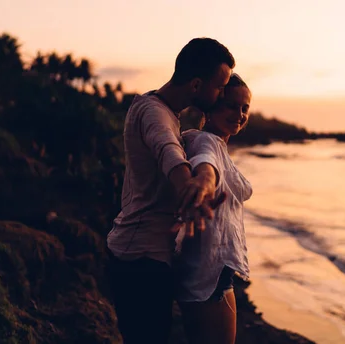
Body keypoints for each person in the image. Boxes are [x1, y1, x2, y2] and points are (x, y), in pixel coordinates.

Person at [106, 38, 235, 344]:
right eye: (220, 87)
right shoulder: (153, 113)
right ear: (195, 85)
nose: (221, 95)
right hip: (140, 259)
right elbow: (169, 153)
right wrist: (188, 185)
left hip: (145, 255)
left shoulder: (163, 112)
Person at [175, 73, 253, 344]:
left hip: (210, 274)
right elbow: (206, 167)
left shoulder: (216, 144)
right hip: (209, 279)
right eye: (232, 105)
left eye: (245, 108)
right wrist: (205, 182)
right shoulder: (206, 142)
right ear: (213, 106)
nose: (240, 114)